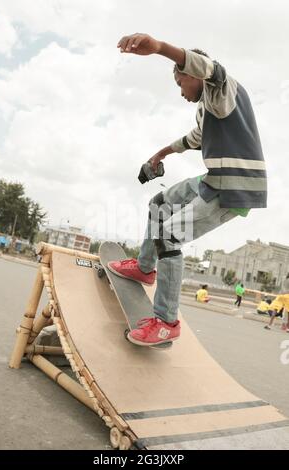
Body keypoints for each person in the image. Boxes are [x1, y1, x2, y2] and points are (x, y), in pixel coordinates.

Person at [109, 33, 267, 347]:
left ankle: (166, 322)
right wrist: (160, 154)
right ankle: (144, 268)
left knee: (169, 235)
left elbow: (211, 69)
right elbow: (193, 139)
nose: (181, 92)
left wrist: (160, 49)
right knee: (159, 203)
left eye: (181, 83)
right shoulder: (207, 110)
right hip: (214, 179)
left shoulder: (223, 90)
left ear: (193, 74)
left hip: (236, 187)